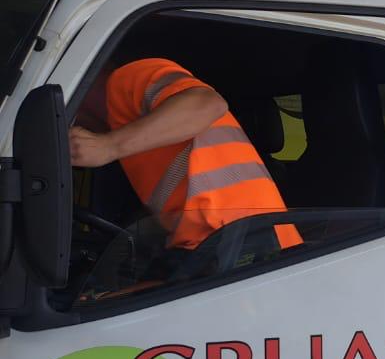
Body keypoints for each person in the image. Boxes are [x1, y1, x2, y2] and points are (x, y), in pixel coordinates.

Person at [70, 58, 300, 264]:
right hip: (220, 247)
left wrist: (108, 146)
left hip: (248, 244)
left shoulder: (130, 77)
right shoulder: (128, 130)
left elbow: (208, 103)